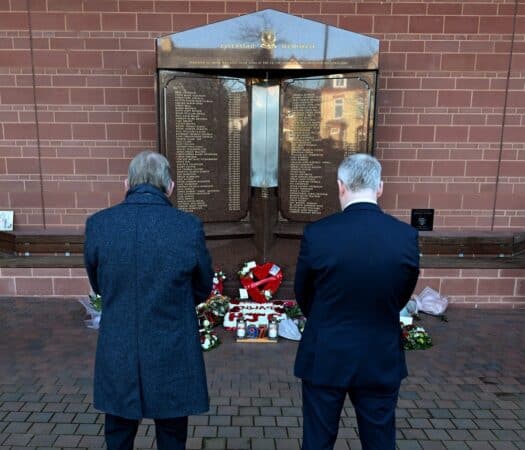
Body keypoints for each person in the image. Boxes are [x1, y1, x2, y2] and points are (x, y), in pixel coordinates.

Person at [84, 151, 213, 450]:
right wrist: (174, 303)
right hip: (172, 342)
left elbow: (99, 284)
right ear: (169, 187)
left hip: (119, 342)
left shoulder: (99, 224)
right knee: (171, 435)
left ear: (126, 183)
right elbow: (202, 285)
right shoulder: (187, 226)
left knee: (118, 434)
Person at [294, 153, 420, 450]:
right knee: (379, 441)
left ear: (340, 186)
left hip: (326, 351)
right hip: (379, 353)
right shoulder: (405, 236)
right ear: (379, 188)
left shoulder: (318, 234)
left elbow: (304, 293)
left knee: (317, 441)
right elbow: (402, 292)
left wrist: (326, 317)